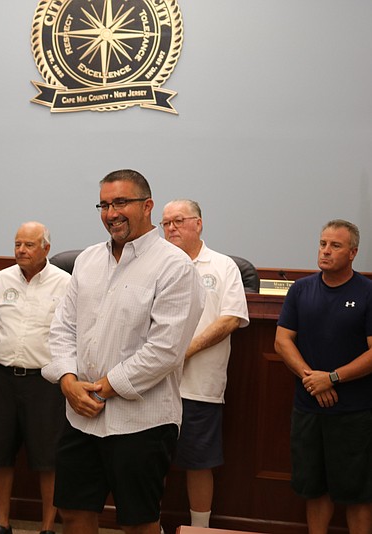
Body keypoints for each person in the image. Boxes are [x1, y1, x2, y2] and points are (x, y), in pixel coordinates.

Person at [42, 169, 204, 534]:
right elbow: (63, 328)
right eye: (104, 204)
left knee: (138, 522)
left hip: (142, 422)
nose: (111, 212)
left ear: (147, 206)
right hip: (80, 416)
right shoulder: (86, 260)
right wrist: (68, 381)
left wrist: (101, 388)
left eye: (121, 203)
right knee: (73, 511)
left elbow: (165, 349)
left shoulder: (175, 266)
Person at [274, 219, 372, 534]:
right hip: (308, 408)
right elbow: (282, 340)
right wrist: (313, 380)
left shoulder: (367, 292)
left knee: (358, 494)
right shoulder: (301, 289)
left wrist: (332, 378)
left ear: (353, 252)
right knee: (313, 489)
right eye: (322, 244)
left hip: (354, 413)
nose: (326, 251)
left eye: (335, 245)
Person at [161, 199, 249, 528]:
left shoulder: (223, 266)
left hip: (200, 387)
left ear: (198, 224)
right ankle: (148, 525)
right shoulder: (155, 265)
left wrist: (183, 351)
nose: (171, 228)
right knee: (151, 462)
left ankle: (199, 530)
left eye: (178, 221)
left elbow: (231, 319)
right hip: (154, 386)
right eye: (165, 223)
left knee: (199, 463)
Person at [0, 221, 70, 534]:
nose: (21, 250)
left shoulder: (66, 283)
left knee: (49, 458)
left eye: (29, 244)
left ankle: (47, 527)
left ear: (46, 248)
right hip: (1, 379)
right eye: (17, 243)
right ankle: (2, 523)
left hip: (45, 383)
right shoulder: (0, 279)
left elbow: (73, 334)